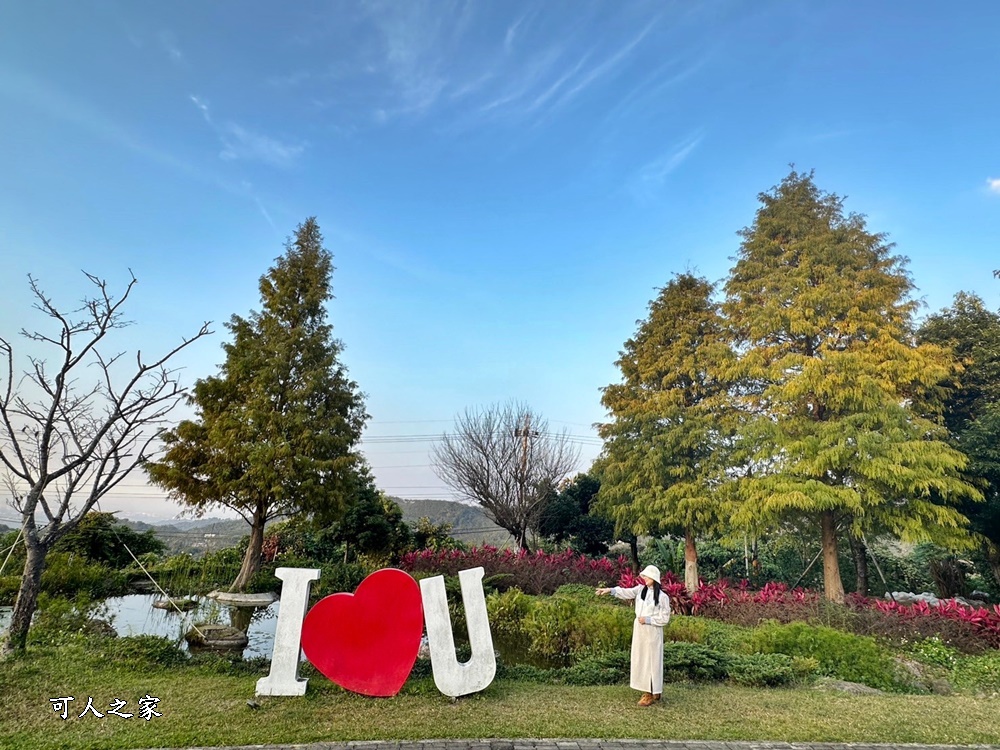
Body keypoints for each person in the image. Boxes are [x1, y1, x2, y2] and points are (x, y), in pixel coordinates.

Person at [596, 564, 671, 706]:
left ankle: (651, 691)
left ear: (654, 578)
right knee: (641, 659)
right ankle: (649, 690)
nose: (644, 578)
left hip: (652, 632)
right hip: (640, 631)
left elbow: (665, 618)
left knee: (652, 660)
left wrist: (648, 620)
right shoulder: (640, 590)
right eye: (644, 576)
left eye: (647, 576)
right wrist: (609, 590)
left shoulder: (662, 597)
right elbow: (625, 592)